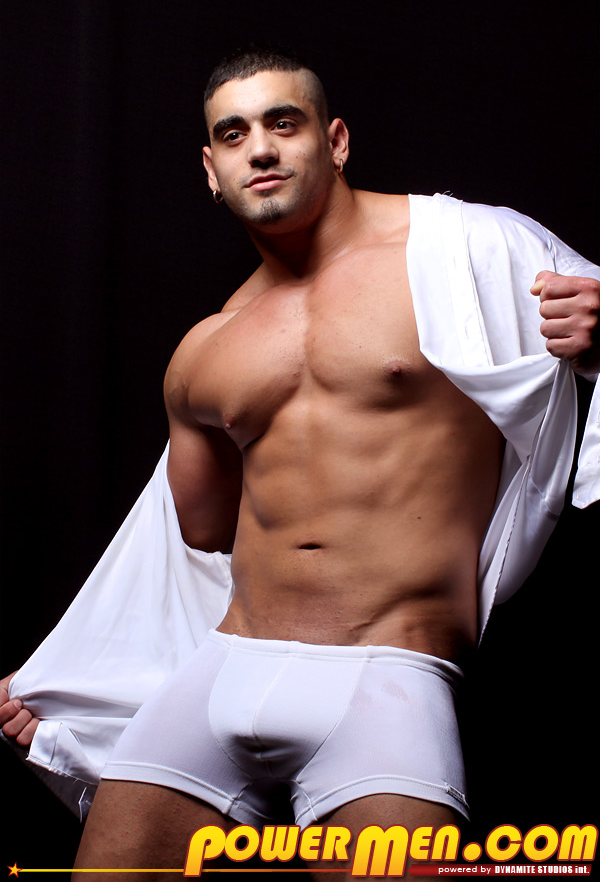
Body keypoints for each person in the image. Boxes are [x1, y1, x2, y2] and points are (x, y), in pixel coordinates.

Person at [1, 46, 599, 880]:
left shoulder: (469, 249)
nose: (261, 148)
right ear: (211, 170)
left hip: (386, 678)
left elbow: (584, 331)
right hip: (220, 674)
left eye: (283, 123)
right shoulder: (209, 344)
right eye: (233, 133)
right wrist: (77, 684)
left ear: (336, 140)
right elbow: (188, 539)